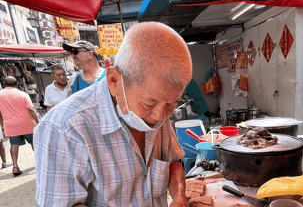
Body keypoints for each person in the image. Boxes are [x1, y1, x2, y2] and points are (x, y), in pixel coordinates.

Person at [35, 22, 192, 206]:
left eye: (171, 105)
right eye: (149, 103)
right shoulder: (64, 127)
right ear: (114, 80)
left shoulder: (158, 110)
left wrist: (179, 195)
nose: (159, 116)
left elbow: (172, 161)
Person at [0, 76, 39, 176]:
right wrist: (38, 122)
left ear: (4, 84)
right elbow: (31, 109)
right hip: (27, 123)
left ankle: (15, 166)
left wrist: (2, 124)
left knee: (14, 145)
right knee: (34, 143)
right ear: (17, 84)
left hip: (11, 125)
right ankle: (40, 163)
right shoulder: (23, 94)